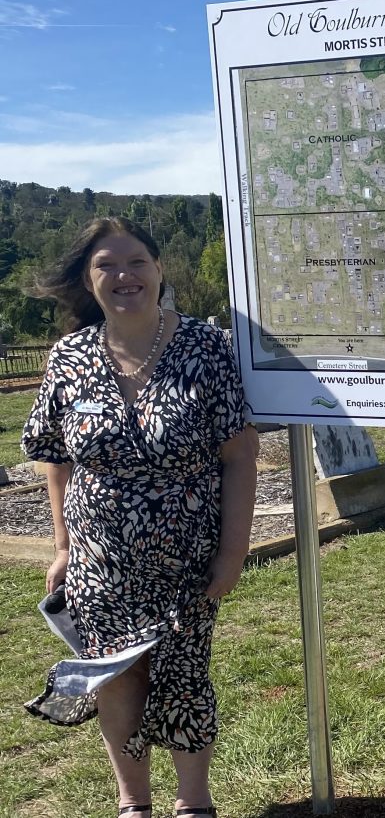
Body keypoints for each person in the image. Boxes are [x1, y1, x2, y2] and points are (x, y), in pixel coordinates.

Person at [21, 217, 258, 818]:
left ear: (158, 271)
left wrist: (232, 554)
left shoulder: (205, 348)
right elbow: (56, 457)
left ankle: (193, 802)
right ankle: (134, 804)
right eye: (107, 265)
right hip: (101, 562)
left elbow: (239, 452)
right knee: (116, 677)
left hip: (186, 555)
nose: (124, 275)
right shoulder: (69, 356)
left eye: (137, 263)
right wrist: (63, 547)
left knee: (182, 673)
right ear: (87, 279)